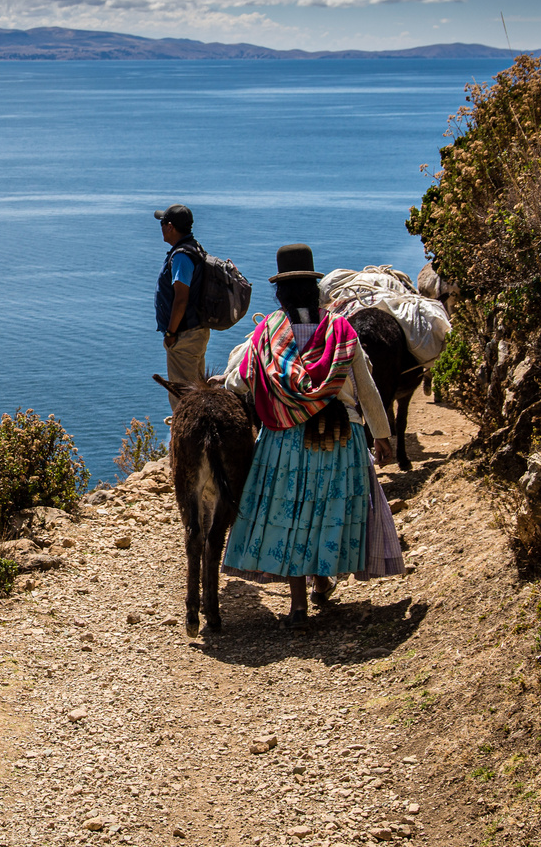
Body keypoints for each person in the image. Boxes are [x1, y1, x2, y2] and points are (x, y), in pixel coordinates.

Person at [220, 243, 400, 626]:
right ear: (315, 289)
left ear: (281, 293)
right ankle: (323, 584)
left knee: (293, 518)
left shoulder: (269, 333)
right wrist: (382, 436)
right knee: (327, 513)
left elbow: (241, 381)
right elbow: (366, 388)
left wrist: (222, 382)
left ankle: (298, 605)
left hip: (285, 440)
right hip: (341, 439)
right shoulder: (340, 330)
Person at [154, 204, 209, 413]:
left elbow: (180, 298)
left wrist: (171, 332)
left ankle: (186, 440)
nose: (160, 228)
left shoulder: (181, 256)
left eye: (162, 224)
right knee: (196, 391)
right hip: (195, 331)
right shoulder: (193, 248)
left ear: (170, 227)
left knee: (183, 397)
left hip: (184, 335)